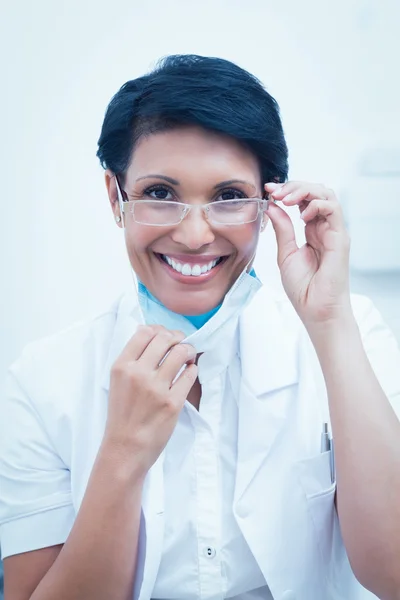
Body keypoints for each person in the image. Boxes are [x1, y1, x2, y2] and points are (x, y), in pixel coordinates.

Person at [1, 54, 400, 600]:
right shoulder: (42, 379)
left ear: (270, 206)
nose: (193, 236)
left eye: (229, 197)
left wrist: (329, 325)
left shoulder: (351, 334)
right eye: (160, 194)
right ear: (116, 198)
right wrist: (123, 451)